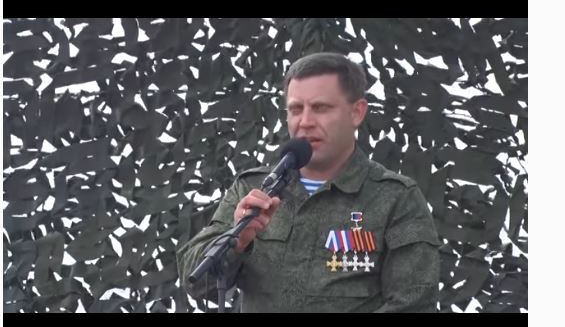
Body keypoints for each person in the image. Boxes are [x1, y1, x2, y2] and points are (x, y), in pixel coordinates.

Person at [176, 52, 441, 313]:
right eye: (295, 109)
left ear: (357, 112)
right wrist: (237, 242)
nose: (305, 122)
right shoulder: (253, 190)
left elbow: (413, 302)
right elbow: (196, 282)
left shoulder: (394, 197)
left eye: (320, 108)